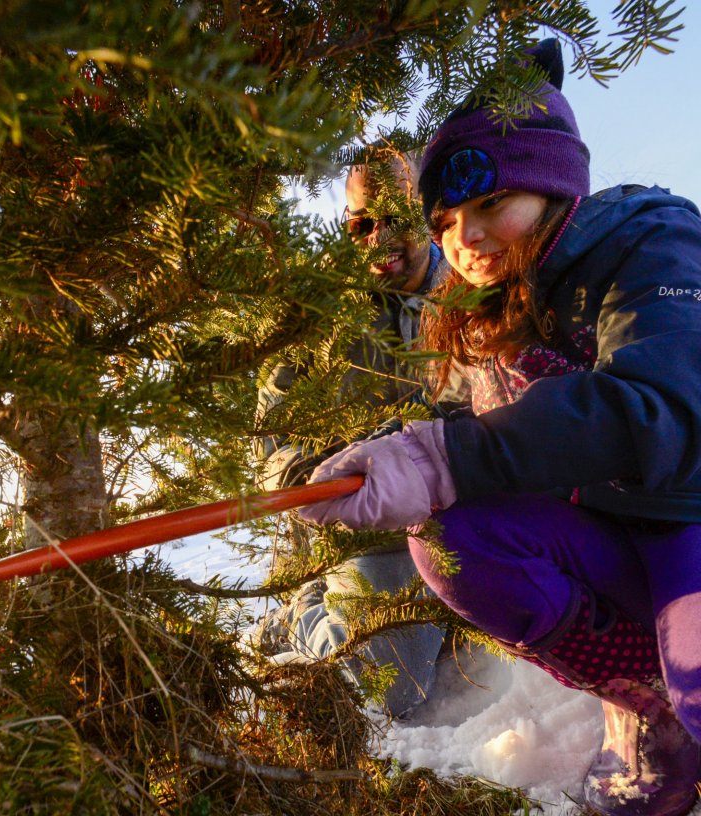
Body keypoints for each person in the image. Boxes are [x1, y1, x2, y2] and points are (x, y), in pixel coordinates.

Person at [293, 39, 701, 816]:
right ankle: (645, 708)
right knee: (450, 540)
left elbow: (664, 407)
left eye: (489, 206)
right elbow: (481, 417)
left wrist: (444, 453)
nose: (465, 239)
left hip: (687, 514)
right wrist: (381, 458)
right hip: (602, 528)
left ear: (552, 185)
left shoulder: (646, 241)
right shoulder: (472, 307)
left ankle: (684, 691)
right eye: (445, 219)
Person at [255, 146, 456, 718]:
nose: (379, 237)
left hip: (467, 506)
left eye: (397, 216)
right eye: (362, 224)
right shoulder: (312, 313)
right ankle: (303, 609)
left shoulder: (472, 285)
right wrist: (294, 469)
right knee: (395, 690)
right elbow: (268, 428)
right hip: (369, 528)